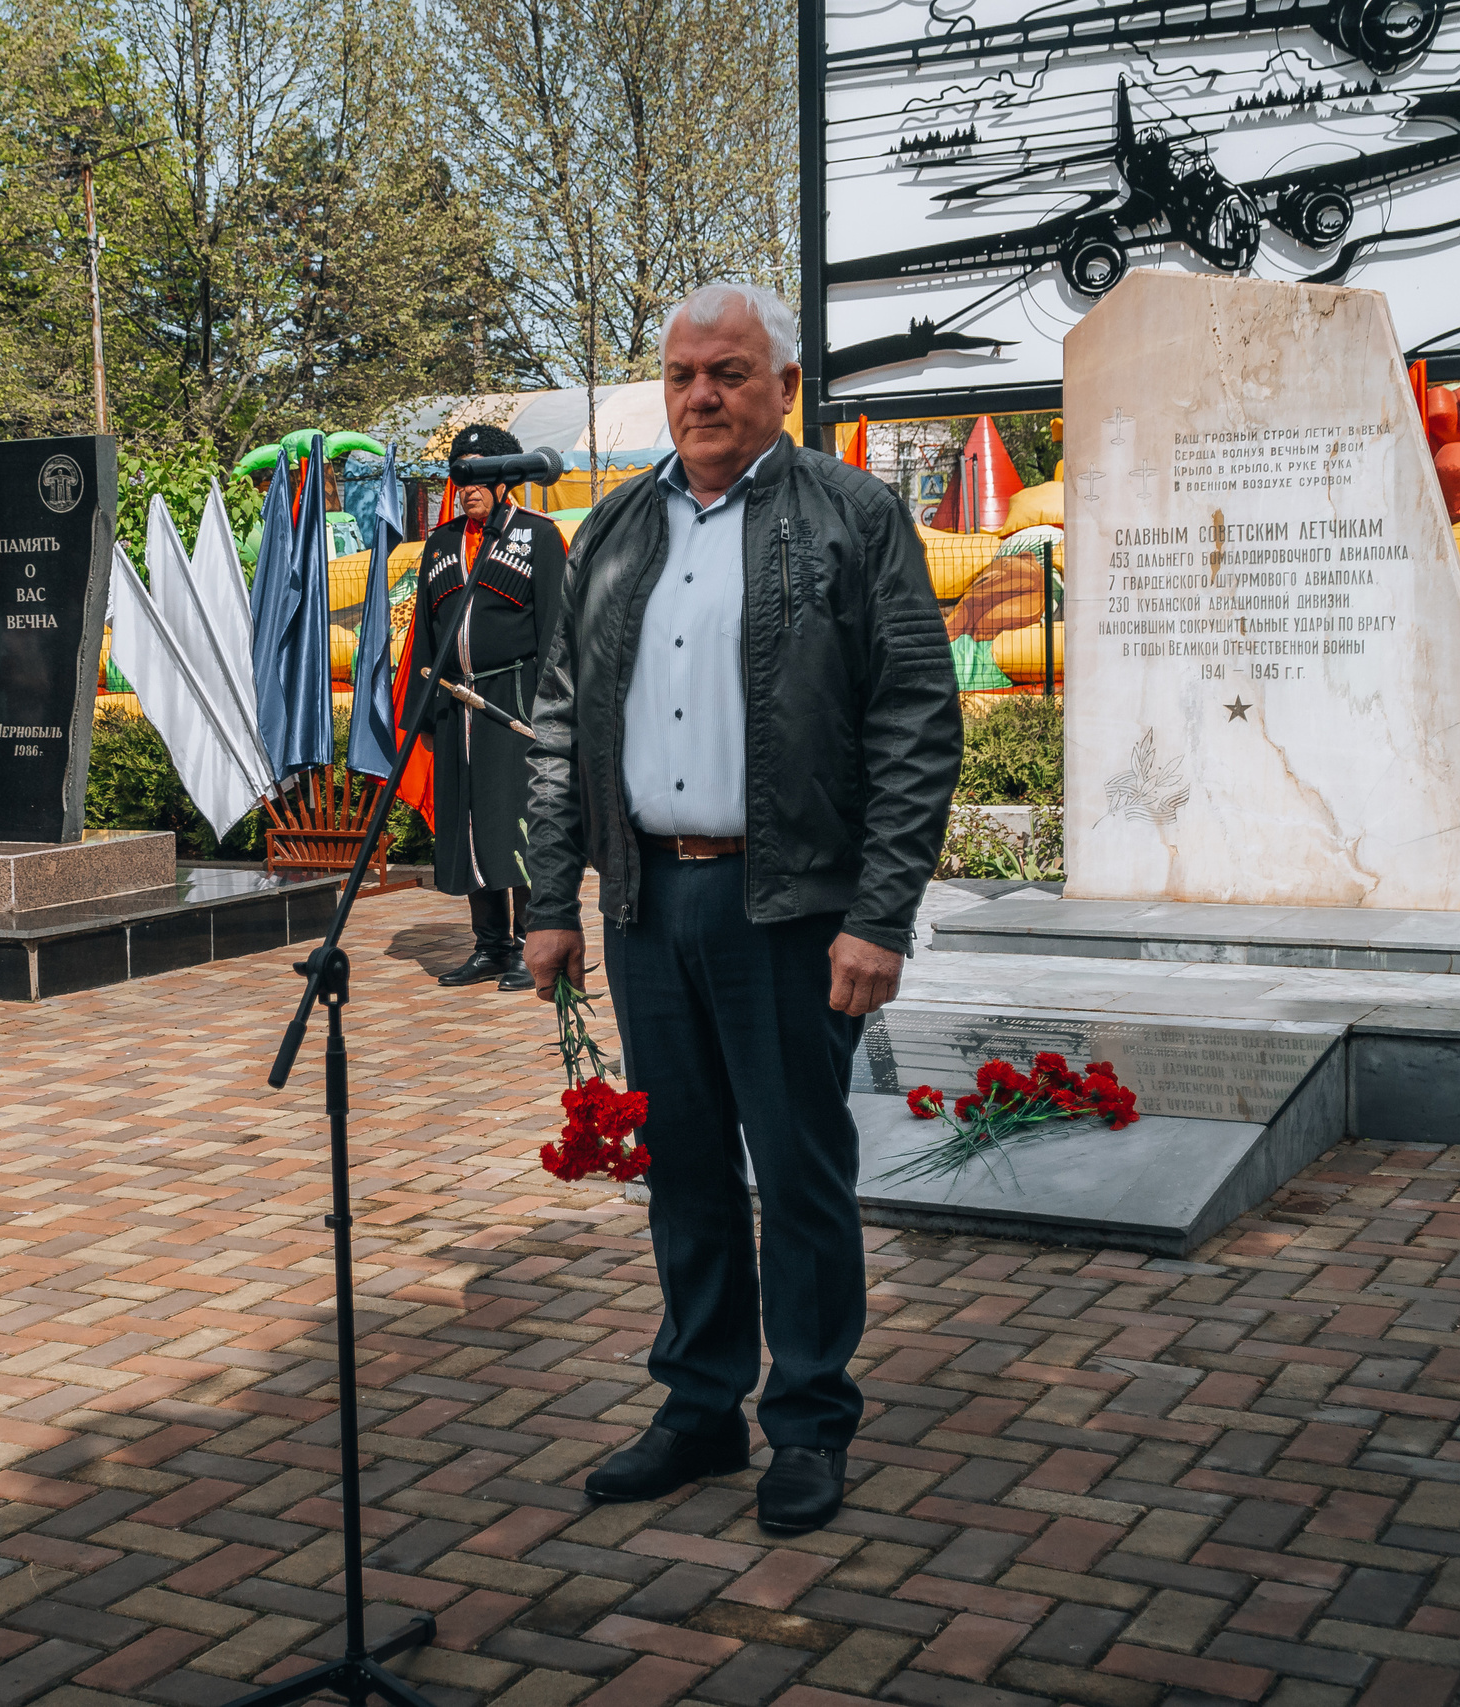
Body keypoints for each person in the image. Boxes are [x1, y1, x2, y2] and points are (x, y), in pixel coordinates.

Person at [520, 282, 961, 1533]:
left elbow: (915, 719)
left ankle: (810, 1419)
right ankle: (700, 1406)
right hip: (649, 906)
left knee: (800, 1174)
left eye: (727, 372)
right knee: (690, 1175)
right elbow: (562, 727)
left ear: (783, 383)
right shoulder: (612, 529)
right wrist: (554, 898)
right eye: (680, 375)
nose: (701, 395)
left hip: (791, 912)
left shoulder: (852, 515)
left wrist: (879, 915)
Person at [402, 423, 569, 990]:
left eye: (481, 472)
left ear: (507, 475)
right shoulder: (442, 542)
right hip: (455, 704)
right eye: (461, 473)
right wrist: (422, 714)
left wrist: (554, 712)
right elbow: (425, 635)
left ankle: (530, 944)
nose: (468, 486)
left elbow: (556, 631)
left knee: (515, 823)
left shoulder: (539, 537)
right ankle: (491, 945)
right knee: (469, 822)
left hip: (514, 701)